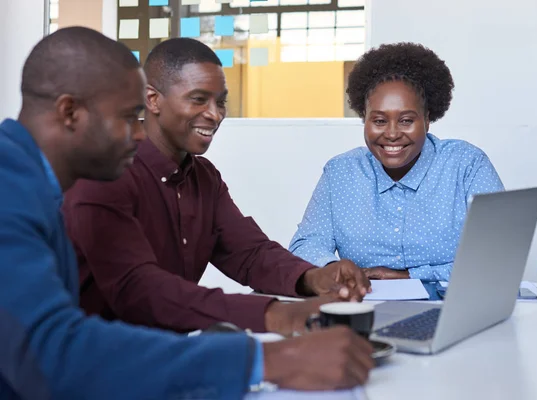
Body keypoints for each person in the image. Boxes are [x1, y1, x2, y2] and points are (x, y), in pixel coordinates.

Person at [0, 27, 374, 399]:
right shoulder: (14, 191)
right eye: (129, 117)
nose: (140, 134)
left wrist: (310, 279)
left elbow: (247, 251)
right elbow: (59, 348)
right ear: (69, 112)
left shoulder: (36, 184)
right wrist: (264, 354)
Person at [62, 37, 370, 336]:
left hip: (166, 353)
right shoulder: (107, 172)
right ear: (153, 100)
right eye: (198, 99)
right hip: (95, 365)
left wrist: (313, 277)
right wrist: (272, 314)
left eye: (220, 102)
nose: (215, 114)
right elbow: (140, 290)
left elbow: (249, 254)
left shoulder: (204, 177)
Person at [289, 42, 504, 282]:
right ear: (365, 119)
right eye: (379, 121)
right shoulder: (340, 173)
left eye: (406, 121)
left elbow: (497, 256)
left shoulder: (466, 165)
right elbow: (304, 246)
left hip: (451, 308)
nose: (391, 134)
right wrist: (336, 270)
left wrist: (410, 276)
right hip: (364, 306)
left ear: (427, 119)